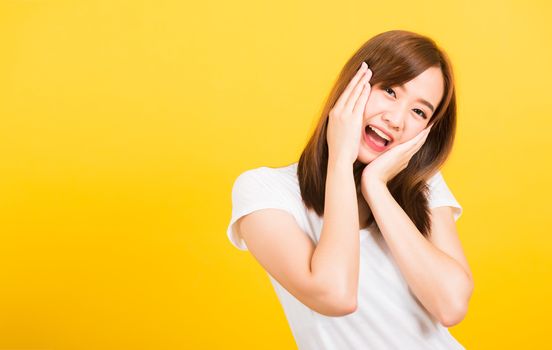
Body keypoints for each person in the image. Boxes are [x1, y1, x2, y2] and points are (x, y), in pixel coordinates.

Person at [226, 30, 474, 349]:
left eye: (419, 111)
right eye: (390, 91)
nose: (396, 119)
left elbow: (451, 305)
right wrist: (340, 160)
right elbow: (336, 294)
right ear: (352, 85)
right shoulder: (265, 192)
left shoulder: (423, 184)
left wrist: (376, 187)